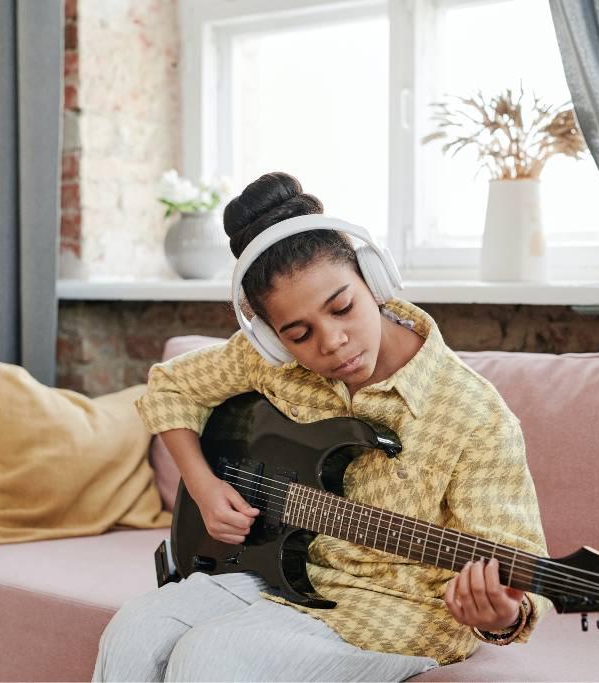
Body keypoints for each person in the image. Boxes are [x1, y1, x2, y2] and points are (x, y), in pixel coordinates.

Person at [92, 172, 551, 682]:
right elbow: (169, 387)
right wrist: (202, 486)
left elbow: (518, 565)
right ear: (271, 339)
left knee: (210, 657)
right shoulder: (272, 362)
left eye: (343, 308)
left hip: (400, 609)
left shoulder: (474, 414)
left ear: (374, 282)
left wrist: (502, 612)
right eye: (299, 333)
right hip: (282, 571)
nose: (331, 342)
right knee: (134, 629)